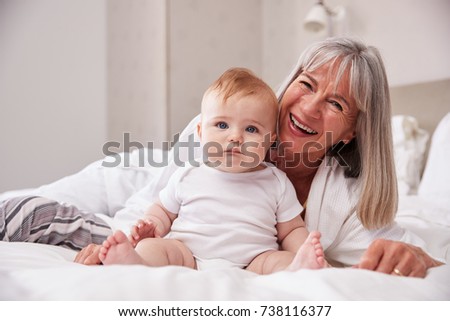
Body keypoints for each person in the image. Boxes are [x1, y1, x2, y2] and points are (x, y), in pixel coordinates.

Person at [0, 37, 443, 277]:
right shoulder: (226, 127)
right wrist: (122, 239)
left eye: (337, 104)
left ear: (353, 130)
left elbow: (405, 251)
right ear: (288, 84)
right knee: (42, 203)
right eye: (307, 84)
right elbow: (151, 203)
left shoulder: (348, 199)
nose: (309, 107)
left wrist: (419, 259)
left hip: (230, 245)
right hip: (152, 177)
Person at [99, 68, 326, 273]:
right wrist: (150, 226)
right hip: (189, 255)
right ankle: (136, 263)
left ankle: (300, 269)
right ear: (200, 132)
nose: (235, 137)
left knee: (279, 260)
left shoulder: (276, 181)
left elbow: (291, 230)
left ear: (270, 140)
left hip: (253, 262)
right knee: (154, 247)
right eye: (222, 125)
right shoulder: (189, 173)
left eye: (251, 129)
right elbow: (162, 211)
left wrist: (302, 250)